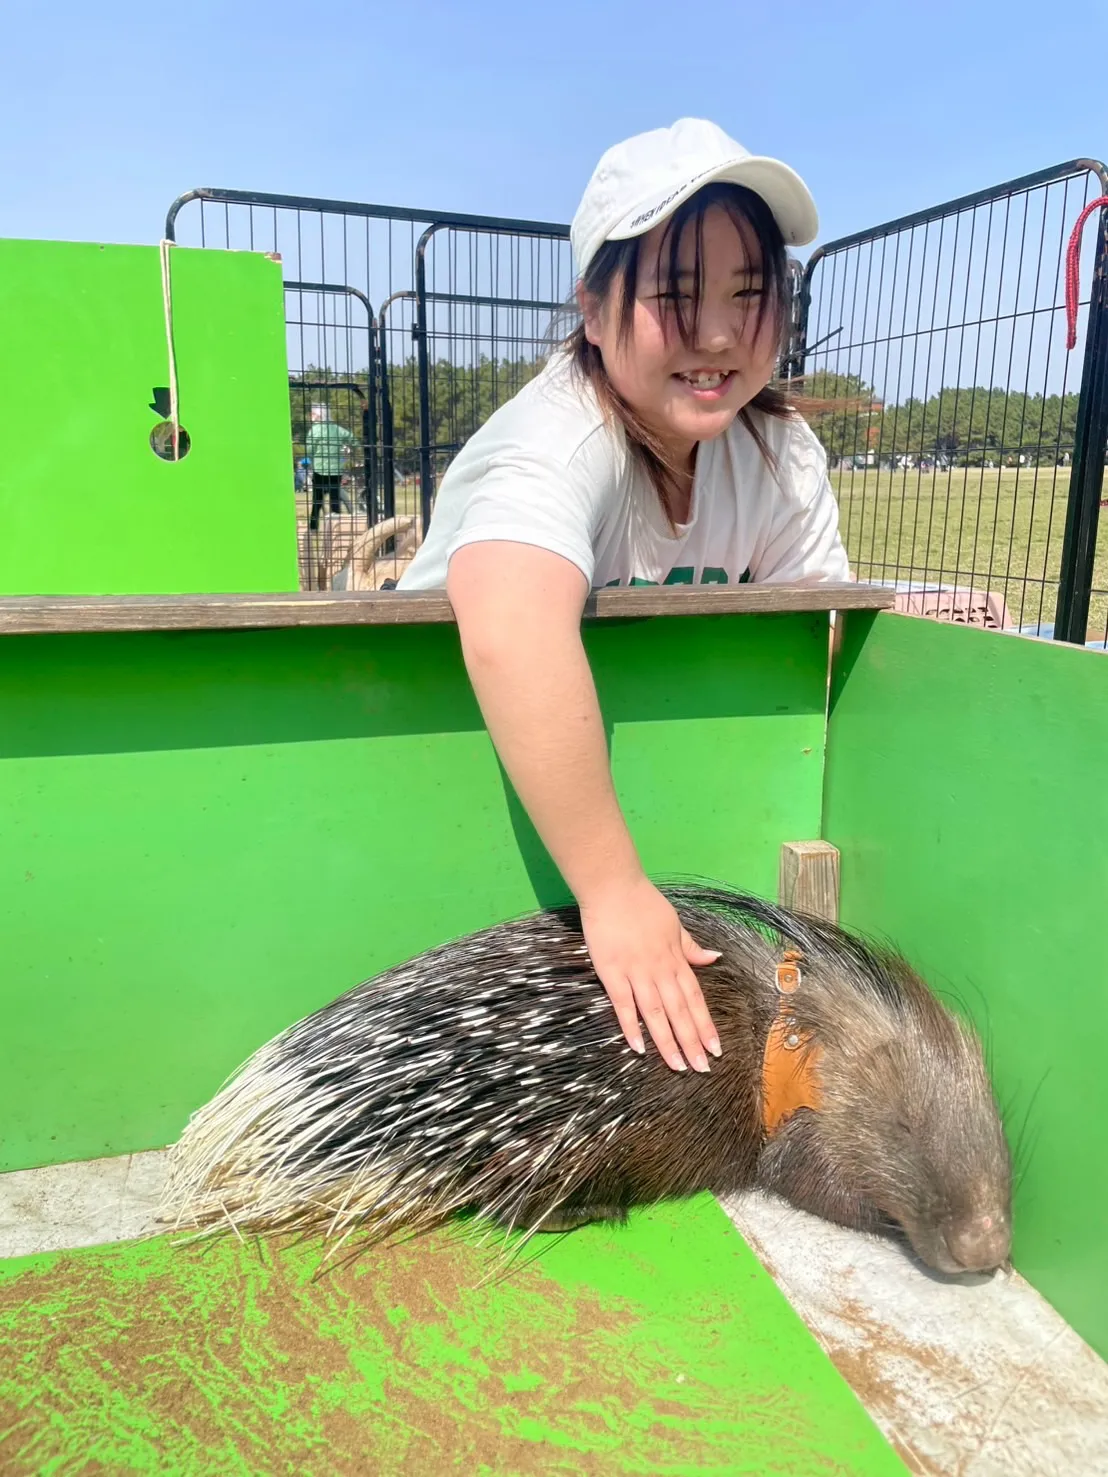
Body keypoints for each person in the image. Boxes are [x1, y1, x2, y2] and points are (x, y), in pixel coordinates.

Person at [399, 118, 850, 1075]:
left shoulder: (781, 455)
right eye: (675, 294)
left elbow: (819, 650)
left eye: (749, 292)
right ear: (595, 313)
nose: (718, 333)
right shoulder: (561, 438)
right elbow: (511, 630)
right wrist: (613, 891)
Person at [306, 404, 355, 530]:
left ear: (318, 415)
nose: (310, 416)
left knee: (317, 500)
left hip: (319, 469)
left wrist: (313, 458)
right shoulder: (337, 429)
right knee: (335, 500)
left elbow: (309, 449)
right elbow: (353, 439)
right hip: (335, 470)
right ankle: (336, 527)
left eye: (312, 413)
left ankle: (313, 527)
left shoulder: (314, 430)